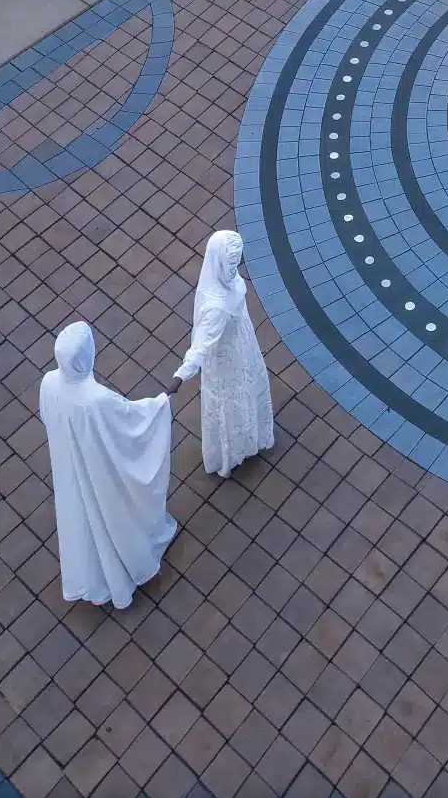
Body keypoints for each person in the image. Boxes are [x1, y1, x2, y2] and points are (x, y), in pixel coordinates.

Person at [39, 322, 176, 610]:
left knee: (81, 518)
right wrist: (161, 404)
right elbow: (131, 421)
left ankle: (97, 580)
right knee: (108, 514)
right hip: (97, 470)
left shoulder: (49, 382)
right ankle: (124, 572)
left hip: (70, 469)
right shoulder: (97, 398)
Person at [168, 230, 274, 478]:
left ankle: (235, 450)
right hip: (236, 350)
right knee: (240, 393)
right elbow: (202, 346)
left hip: (234, 351)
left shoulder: (217, 288)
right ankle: (246, 442)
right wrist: (182, 374)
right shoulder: (225, 292)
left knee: (231, 399)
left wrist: (179, 376)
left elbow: (200, 346)